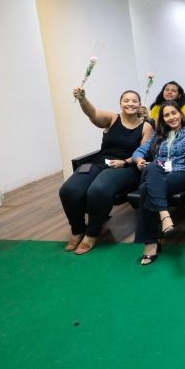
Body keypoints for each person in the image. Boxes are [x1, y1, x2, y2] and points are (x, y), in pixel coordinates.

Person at [61, 88, 153, 254]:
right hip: (101, 162)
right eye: (126, 100)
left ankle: (92, 232)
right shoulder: (112, 118)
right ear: (120, 103)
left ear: (140, 104)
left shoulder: (146, 127)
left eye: (134, 101)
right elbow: (93, 114)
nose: (130, 104)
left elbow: (143, 152)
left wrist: (124, 162)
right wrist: (83, 99)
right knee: (69, 190)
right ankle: (77, 230)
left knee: (98, 190)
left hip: (127, 167)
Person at [132, 101, 185, 265]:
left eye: (174, 113)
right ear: (162, 119)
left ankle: (151, 243)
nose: (171, 117)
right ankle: (165, 216)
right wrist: (139, 160)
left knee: (145, 188)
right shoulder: (158, 135)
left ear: (180, 114)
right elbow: (139, 151)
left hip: (182, 172)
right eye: (166, 115)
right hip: (158, 172)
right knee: (151, 167)